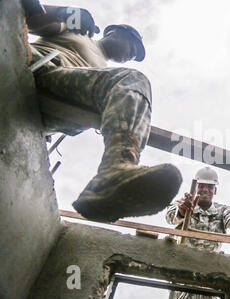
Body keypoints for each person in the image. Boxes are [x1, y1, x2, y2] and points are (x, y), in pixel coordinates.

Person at [23, 1, 182, 222]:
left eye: (135, 55)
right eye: (132, 47)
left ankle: (114, 176)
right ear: (115, 32)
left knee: (128, 84)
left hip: (59, 106)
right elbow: (27, 16)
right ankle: (116, 169)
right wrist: (65, 13)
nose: (132, 56)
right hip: (39, 68)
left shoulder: (106, 75)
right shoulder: (78, 33)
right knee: (132, 79)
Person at [165, 167, 230, 299]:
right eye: (201, 186)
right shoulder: (182, 204)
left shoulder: (222, 211)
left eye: (210, 186)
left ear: (215, 190)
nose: (205, 189)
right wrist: (183, 210)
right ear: (195, 188)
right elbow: (170, 216)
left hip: (211, 275)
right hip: (183, 271)